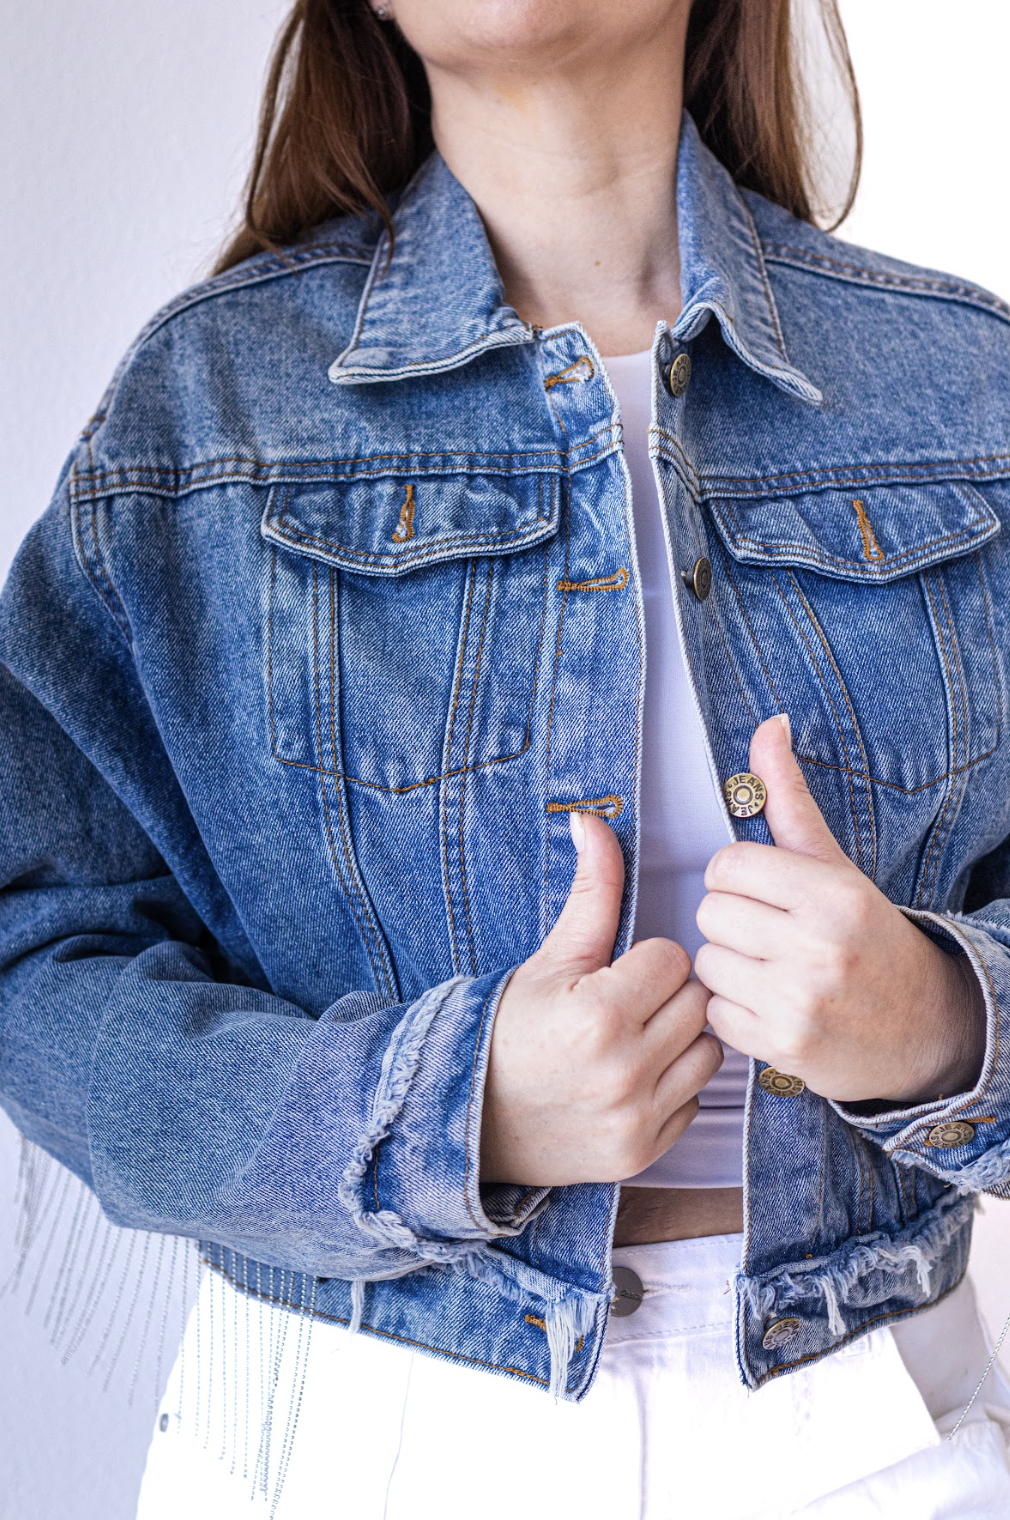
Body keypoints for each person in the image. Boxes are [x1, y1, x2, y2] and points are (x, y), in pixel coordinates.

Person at [4, 0, 1010, 1514]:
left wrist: (944, 1022)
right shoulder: (207, 413)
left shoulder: (965, 387)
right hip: (359, 1433)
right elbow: (33, 952)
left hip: (875, 1427)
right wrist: (437, 1117)